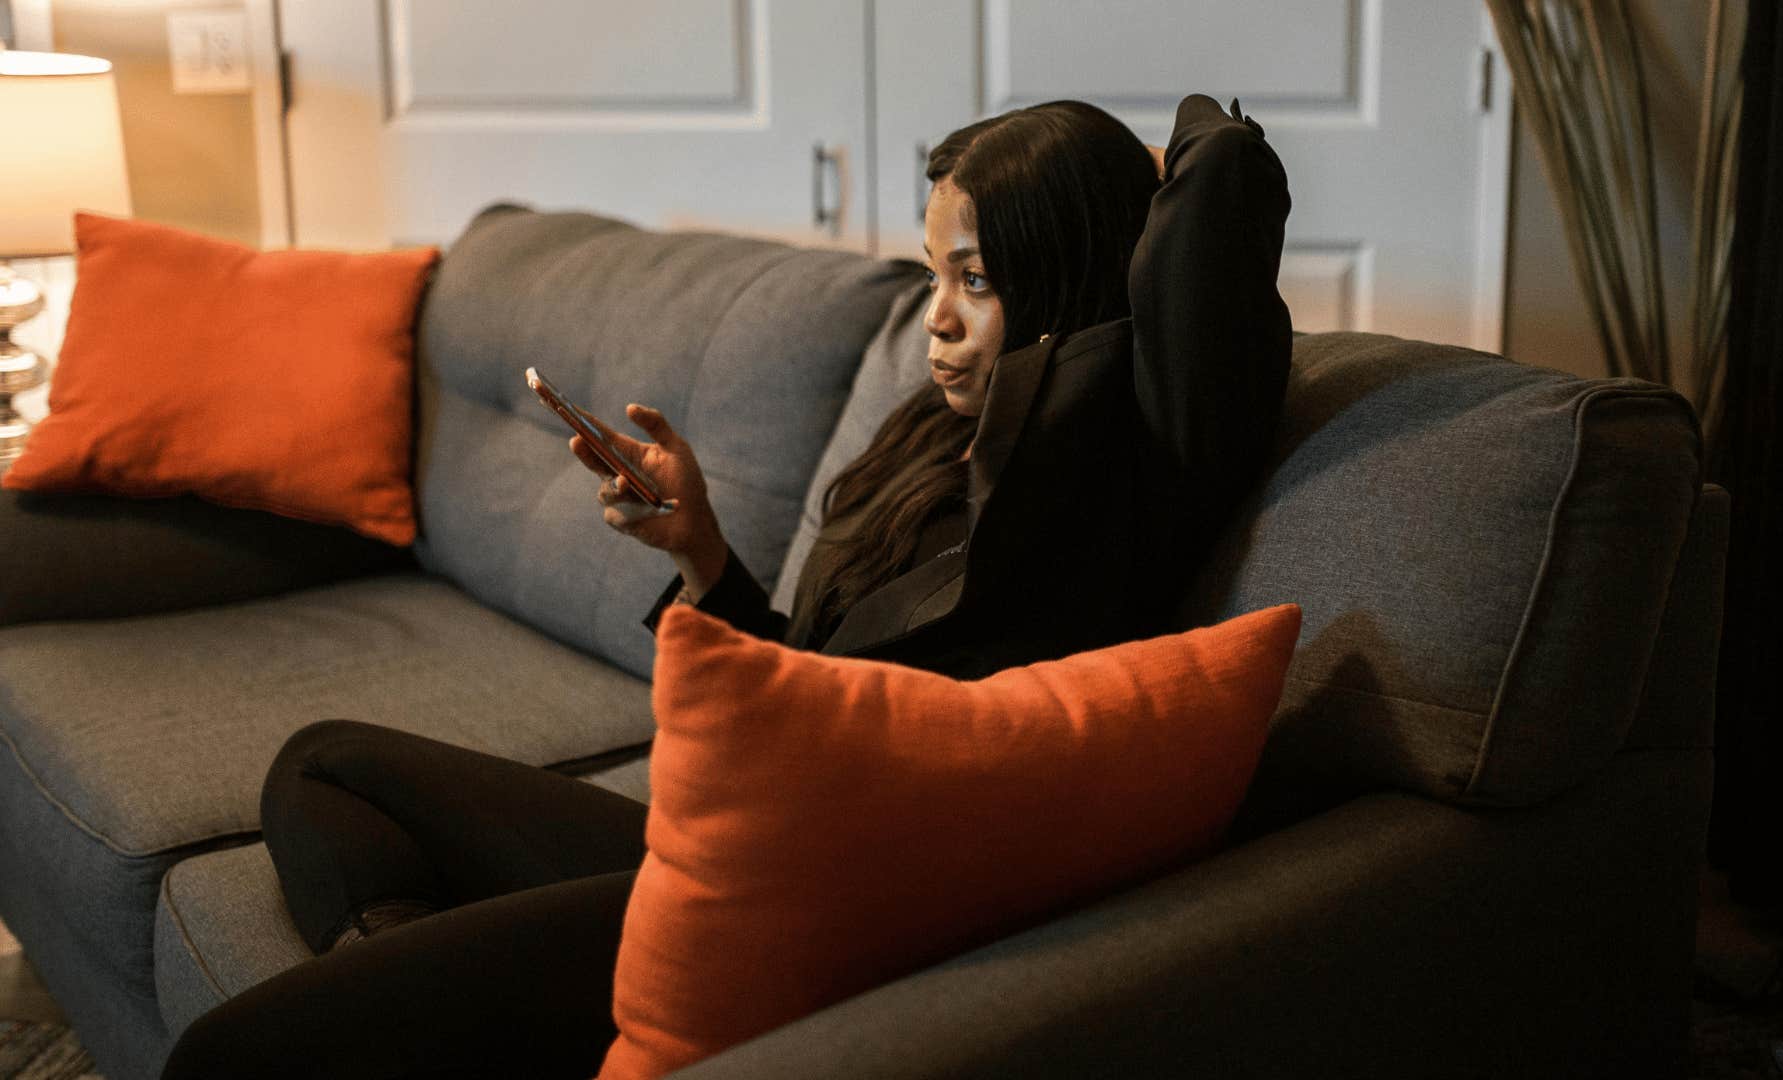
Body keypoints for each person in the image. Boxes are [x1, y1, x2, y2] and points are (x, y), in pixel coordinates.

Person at [160, 93, 1292, 1079]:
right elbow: (811, 678)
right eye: (937, 272)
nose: (938, 319)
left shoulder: (1111, 473)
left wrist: (1125, 185)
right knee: (323, 765)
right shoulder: (928, 437)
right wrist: (700, 551)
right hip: (740, 823)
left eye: (979, 281)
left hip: (810, 899)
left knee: (238, 1054)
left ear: (1074, 288)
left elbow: (1220, 169)